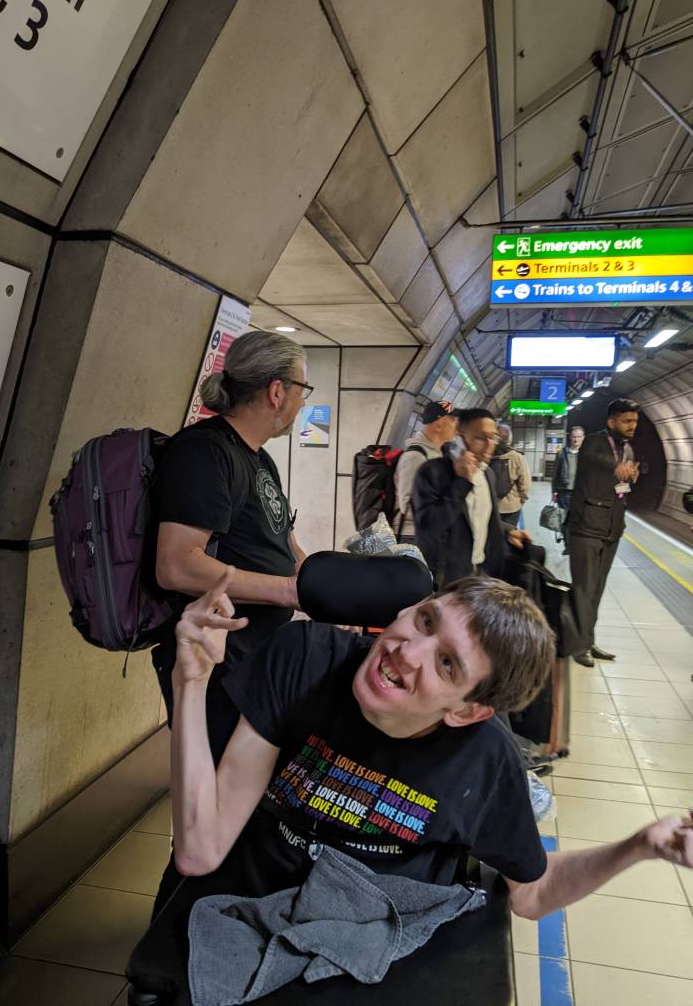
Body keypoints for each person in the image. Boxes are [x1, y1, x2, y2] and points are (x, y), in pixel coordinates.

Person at [168, 571, 693, 933]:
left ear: (466, 711)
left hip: (369, 932)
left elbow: (532, 894)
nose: (406, 652)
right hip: (252, 903)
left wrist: (640, 846)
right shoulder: (304, 660)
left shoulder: (483, 766)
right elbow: (201, 850)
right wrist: (190, 681)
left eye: (447, 665)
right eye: (425, 621)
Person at [149, 329, 310, 913]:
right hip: (213, 661)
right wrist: (286, 589)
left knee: (245, 802)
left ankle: (218, 916)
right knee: (209, 807)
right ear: (275, 390)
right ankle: (170, 939)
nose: (301, 400)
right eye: (300, 387)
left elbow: (284, 545)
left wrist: (332, 589)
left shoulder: (259, 458)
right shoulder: (204, 452)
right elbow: (177, 563)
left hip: (257, 658)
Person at [411, 408, 530, 588]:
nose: (490, 444)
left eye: (494, 437)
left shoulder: (487, 473)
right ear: (460, 439)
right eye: (481, 438)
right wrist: (461, 483)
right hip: (446, 580)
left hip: (482, 574)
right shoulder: (433, 472)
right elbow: (428, 528)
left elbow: (480, 515)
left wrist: (506, 531)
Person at [568, 400, 640, 668]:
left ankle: (588, 640)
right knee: (584, 589)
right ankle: (578, 645)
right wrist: (615, 467)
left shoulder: (627, 448)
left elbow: (620, 479)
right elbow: (593, 459)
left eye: (634, 422)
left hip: (611, 528)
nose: (632, 426)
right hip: (586, 527)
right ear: (611, 422)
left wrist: (630, 475)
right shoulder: (594, 442)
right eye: (627, 421)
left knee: (596, 589)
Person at [393, 400, 458, 542]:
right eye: (452, 420)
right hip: (413, 536)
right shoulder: (415, 457)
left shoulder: (439, 454)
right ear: (439, 424)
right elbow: (408, 506)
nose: (456, 424)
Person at [490, 423, 531, 527]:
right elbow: (525, 482)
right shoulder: (517, 457)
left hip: (491, 505)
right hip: (511, 506)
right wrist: (522, 499)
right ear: (509, 439)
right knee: (510, 535)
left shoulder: (487, 455)